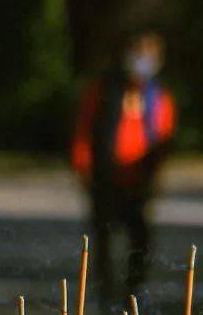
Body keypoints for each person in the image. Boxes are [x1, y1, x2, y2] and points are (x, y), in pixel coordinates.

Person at [71, 29, 176, 294]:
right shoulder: (105, 90)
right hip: (105, 177)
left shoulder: (158, 98)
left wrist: (156, 175)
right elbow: (85, 129)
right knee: (103, 236)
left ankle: (134, 290)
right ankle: (104, 289)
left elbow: (164, 140)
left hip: (138, 181)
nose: (143, 61)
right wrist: (83, 167)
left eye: (150, 56)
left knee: (140, 239)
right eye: (139, 54)